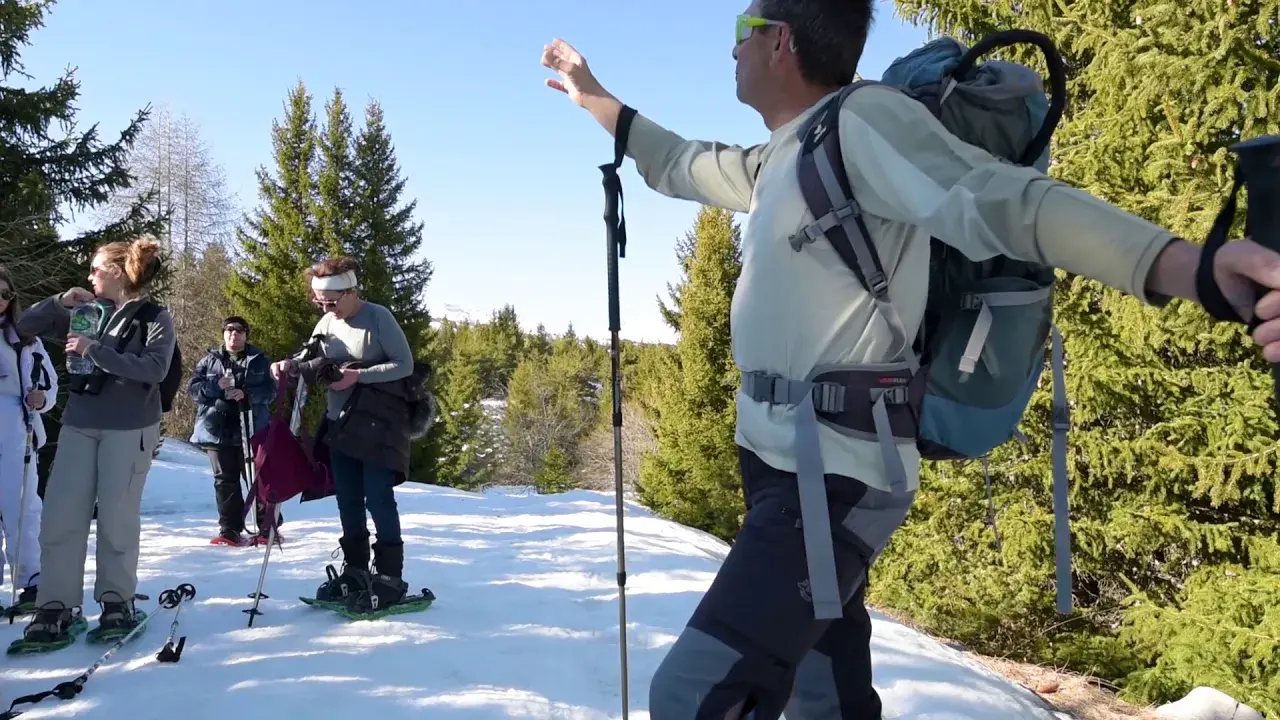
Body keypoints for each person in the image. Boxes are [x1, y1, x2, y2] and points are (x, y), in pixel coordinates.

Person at [540, 4, 1280, 718]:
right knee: (826, 697)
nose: (731, 49)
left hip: (833, 473)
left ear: (780, 42)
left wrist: (1190, 266)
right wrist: (592, 95)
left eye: (742, 30)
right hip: (783, 467)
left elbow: (1007, 203)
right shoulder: (783, 156)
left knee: (693, 696)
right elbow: (676, 162)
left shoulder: (864, 123)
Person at [15, 236, 174, 647]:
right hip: (80, 423)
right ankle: (55, 605)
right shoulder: (84, 310)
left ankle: (117, 601)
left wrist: (95, 350)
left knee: (117, 519)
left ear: (117, 273)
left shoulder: (155, 317)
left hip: (130, 427)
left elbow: (155, 369)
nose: (89, 276)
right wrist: (58, 302)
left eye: (95, 270)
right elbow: (23, 326)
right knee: (61, 517)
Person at [270, 256, 421, 614]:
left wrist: (359, 376)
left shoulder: (378, 317)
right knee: (348, 498)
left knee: (378, 498)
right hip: (340, 422)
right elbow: (311, 356)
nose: (326, 308)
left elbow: (405, 364)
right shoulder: (327, 321)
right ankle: (354, 569)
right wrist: (289, 366)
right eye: (319, 302)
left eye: (332, 302)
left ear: (352, 292)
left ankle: (389, 576)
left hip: (379, 424)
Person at [187, 316, 277, 547]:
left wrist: (247, 395)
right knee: (224, 481)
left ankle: (267, 527)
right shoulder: (209, 361)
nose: (233, 335)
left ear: (246, 335)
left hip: (251, 427)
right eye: (229, 330)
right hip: (216, 428)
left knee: (259, 478)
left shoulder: (258, 360)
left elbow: (270, 391)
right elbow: (194, 390)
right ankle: (230, 530)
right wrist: (215, 387)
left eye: (238, 331)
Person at [0, 266, 57, 616]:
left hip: (17, 429)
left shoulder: (25, 339)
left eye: (7, 294)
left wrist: (42, 398)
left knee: (22, 507)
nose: (1, 300)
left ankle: (31, 581)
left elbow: (48, 383)